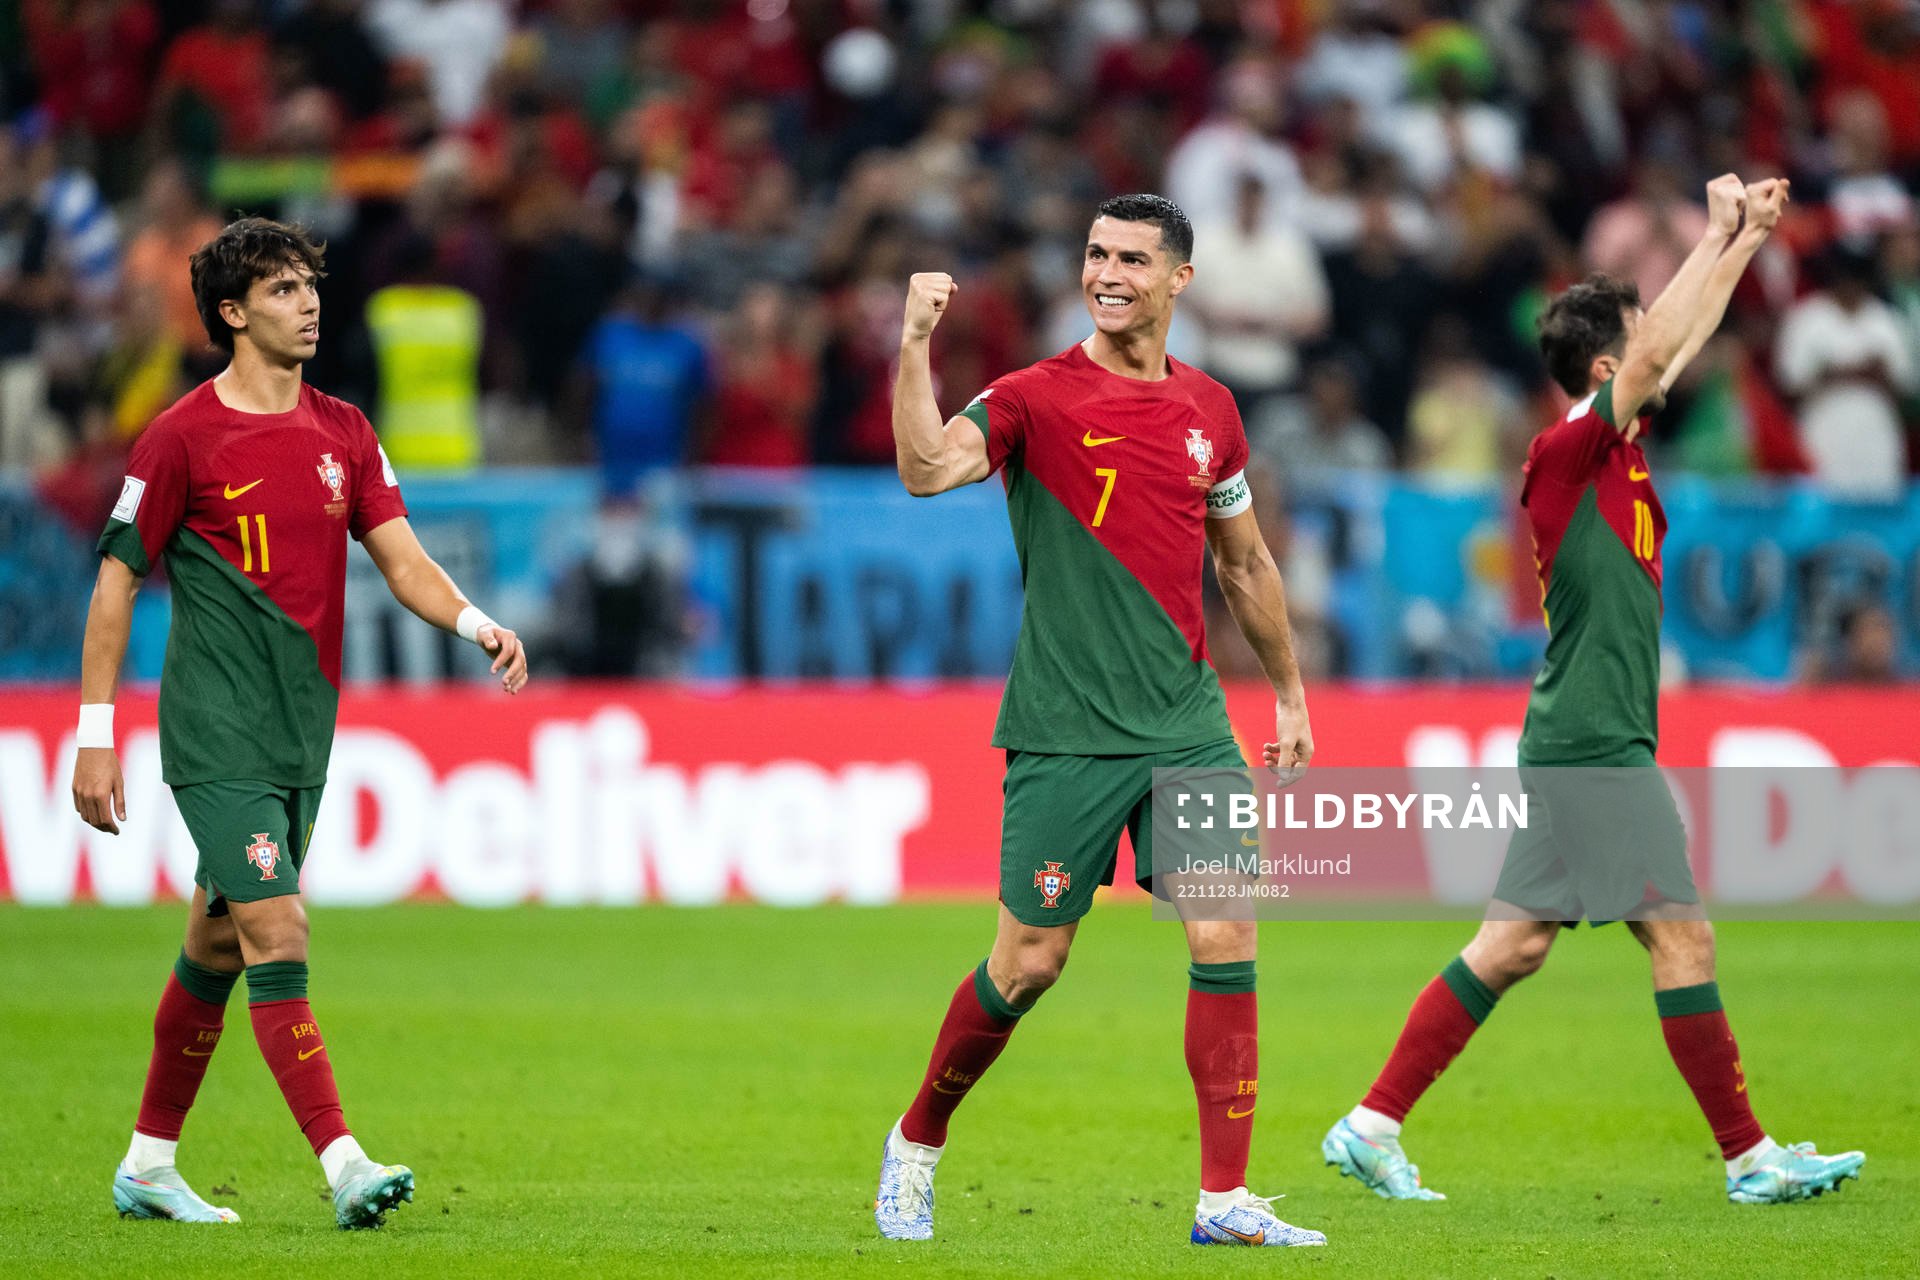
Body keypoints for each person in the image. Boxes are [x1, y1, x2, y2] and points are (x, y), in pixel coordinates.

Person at [1320, 176, 1868, 1207]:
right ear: (1609, 366)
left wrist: (1739, 243)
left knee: (1514, 941)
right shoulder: (1569, 448)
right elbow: (1662, 345)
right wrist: (1711, 233)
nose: (1666, 349)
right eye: (1641, 339)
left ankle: (1368, 1122)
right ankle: (1751, 1159)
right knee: (1682, 934)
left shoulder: (1614, 442)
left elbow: (1675, 340)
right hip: (1592, 739)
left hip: (1579, 730)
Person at [877, 194, 1324, 1248]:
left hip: (1186, 724)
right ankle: (917, 1140)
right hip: (1066, 727)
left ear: (1181, 280)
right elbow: (925, 467)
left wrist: (1292, 691)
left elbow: (1246, 561)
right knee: (1029, 960)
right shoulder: (1034, 396)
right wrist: (912, 343)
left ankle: (1223, 1199)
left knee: (1226, 929)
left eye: (1132, 257)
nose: (1107, 272)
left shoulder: (1211, 408)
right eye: (1094, 253)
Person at [70, 217, 529, 1228]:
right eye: (282, 290)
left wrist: (476, 619)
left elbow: (402, 559)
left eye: (310, 285)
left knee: (220, 942)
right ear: (232, 314)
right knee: (279, 925)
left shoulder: (345, 430)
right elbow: (116, 577)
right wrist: (94, 729)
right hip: (215, 726)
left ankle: (148, 1161)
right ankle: (345, 1161)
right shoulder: (182, 434)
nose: (309, 302)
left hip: (300, 730)